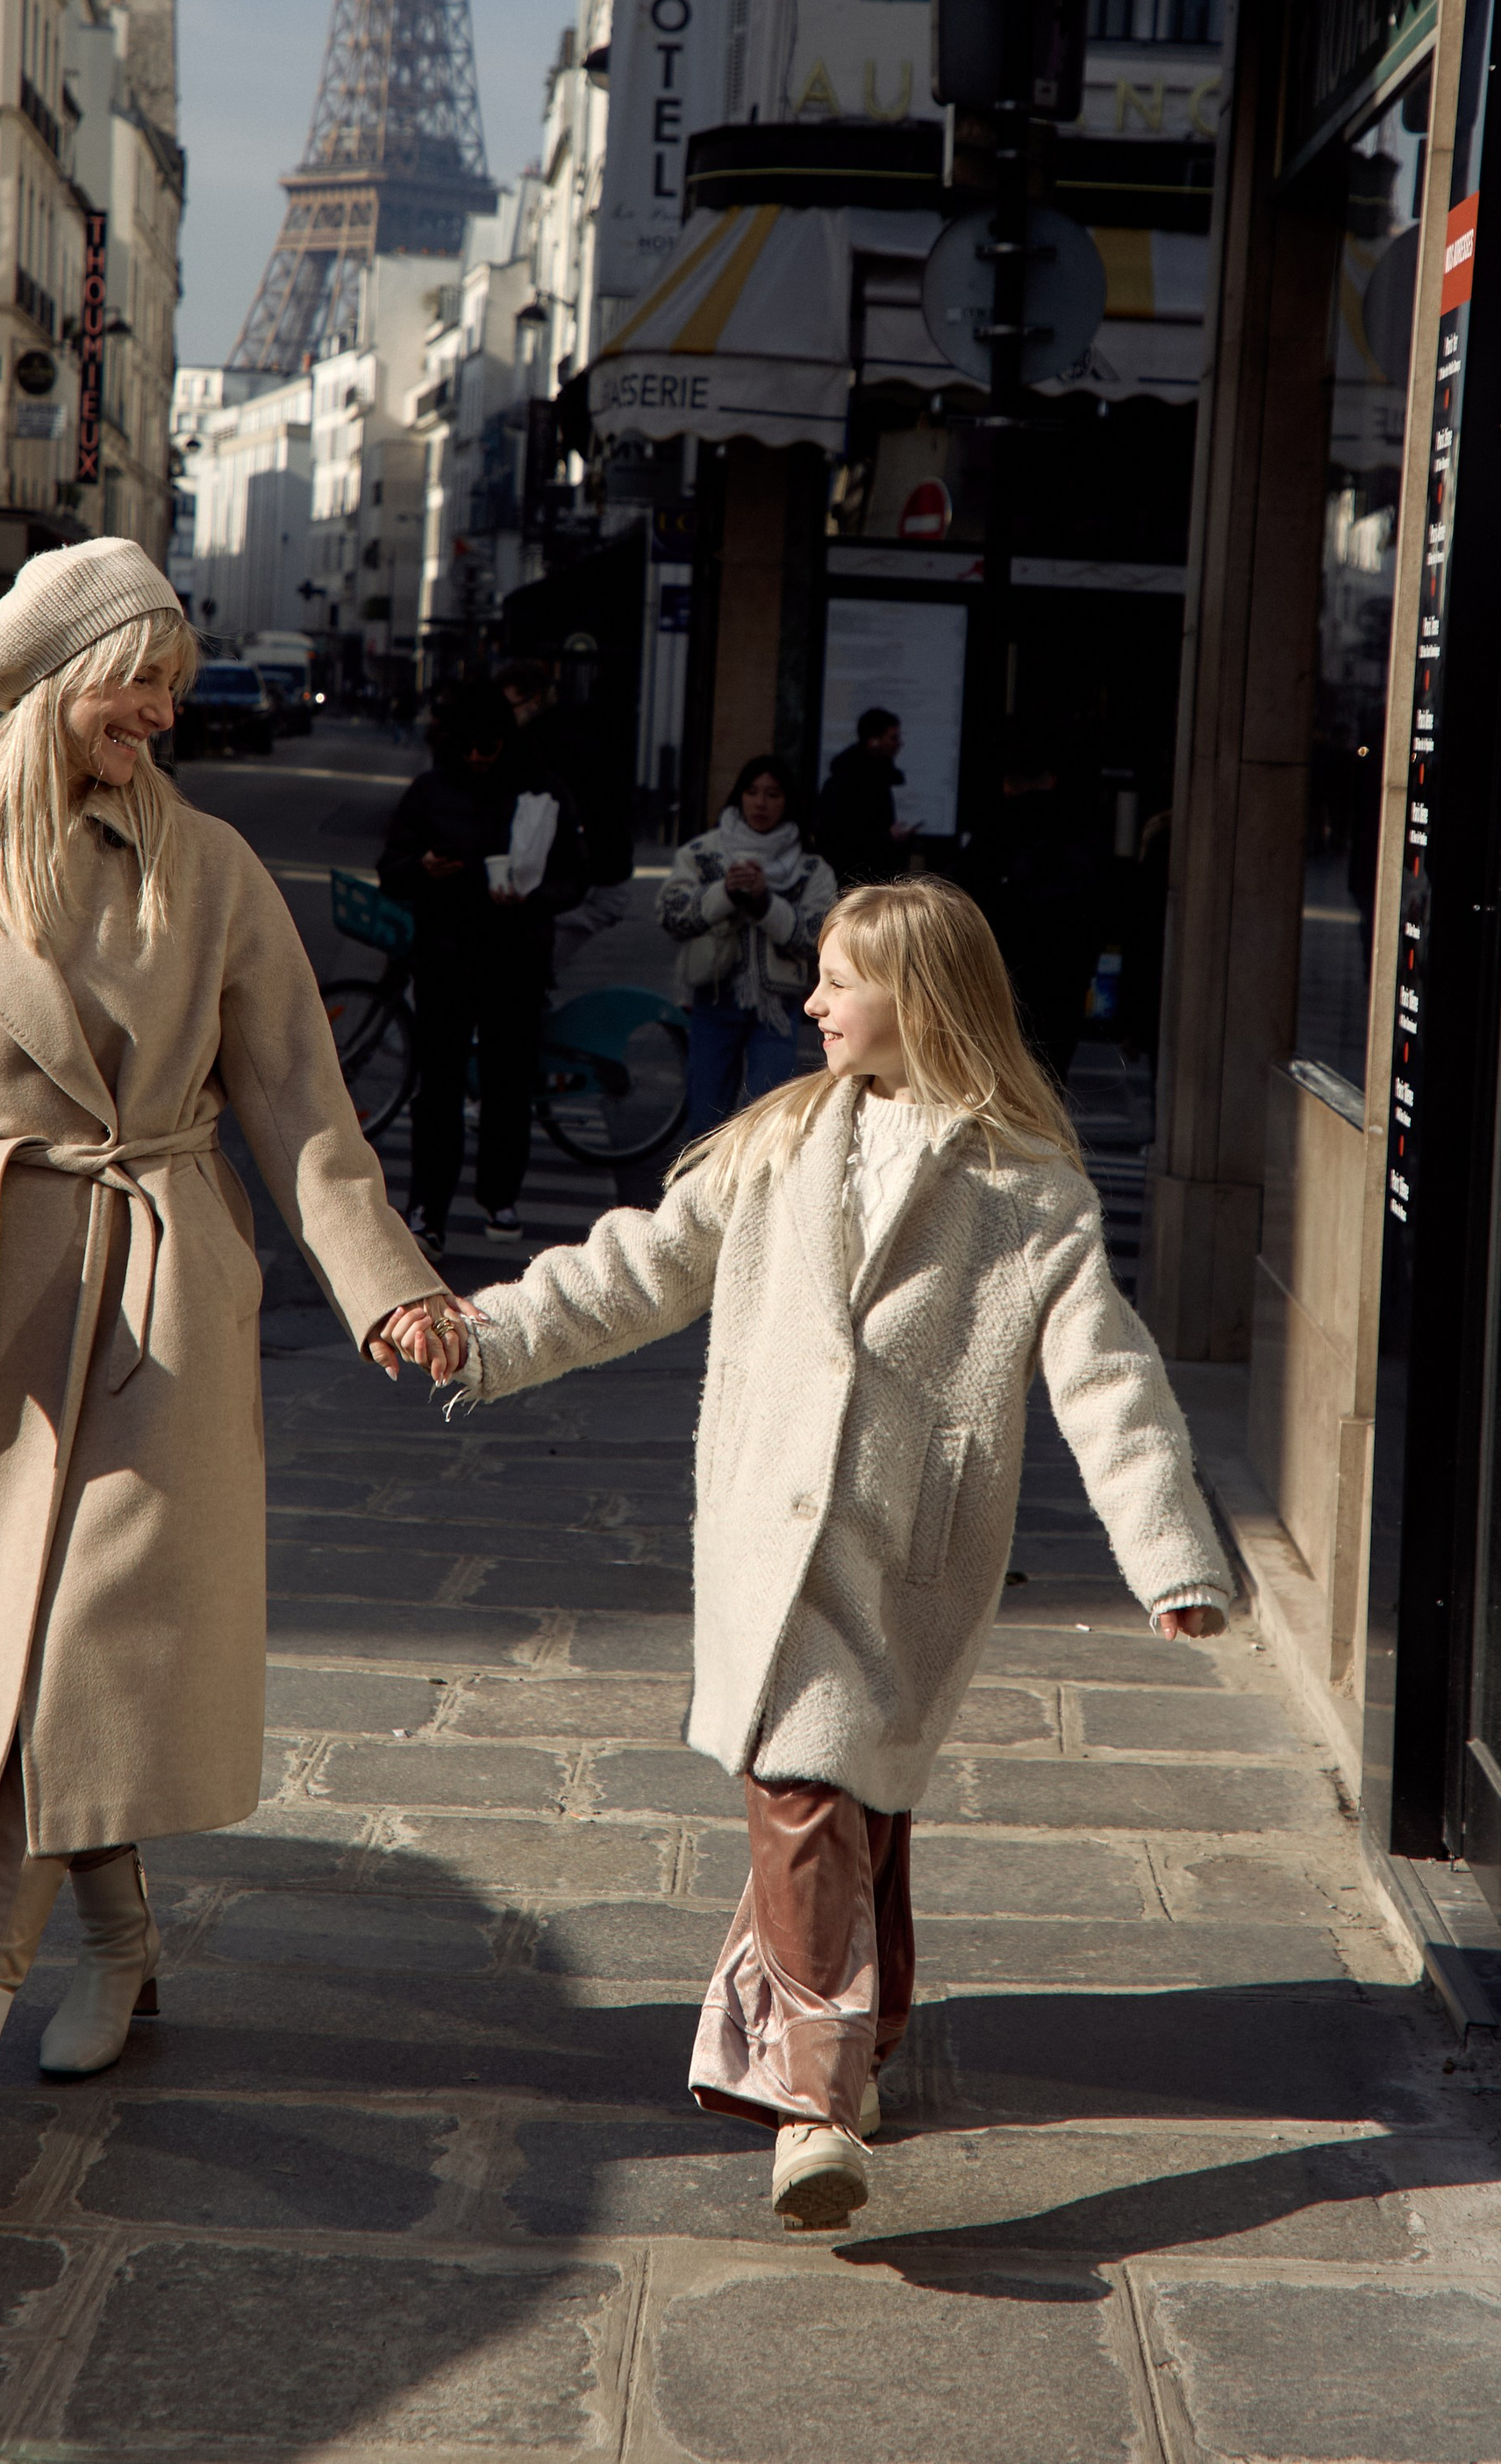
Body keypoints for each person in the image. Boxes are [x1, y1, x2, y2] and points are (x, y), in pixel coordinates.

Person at [0, 537, 456, 2231]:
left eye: (172, 678)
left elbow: (301, 1101)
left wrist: (388, 1288)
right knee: (18, 1675)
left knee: (70, 1657)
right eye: (138, 677)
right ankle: (126, 1949)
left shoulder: (211, 871)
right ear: (62, 678)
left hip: (164, 1292)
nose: (166, 706)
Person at [383, 875, 1229, 2230]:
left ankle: (862, 2042)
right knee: (811, 1795)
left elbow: (1107, 1379)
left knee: (854, 1801)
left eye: (842, 979)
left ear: (926, 998)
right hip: (769, 1539)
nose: (813, 999)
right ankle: (821, 2103)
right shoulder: (777, 1139)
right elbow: (634, 1268)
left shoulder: (1031, 1189)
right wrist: (480, 1337)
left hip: (909, 1549)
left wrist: (1169, 1551)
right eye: (818, 976)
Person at [379, 678, 587, 1252]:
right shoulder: (429, 791)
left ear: (506, 742)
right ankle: (427, 1210)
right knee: (437, 1089)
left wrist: (534, 896)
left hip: (516, 957)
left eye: (488, 747)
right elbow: (390, 868)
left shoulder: (541, 792)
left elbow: (575, 874)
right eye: (466, 746)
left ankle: (500, 1196)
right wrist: (422, 866)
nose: (476, 757)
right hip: (444, 958)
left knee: (508, 1087)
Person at [661, 752, 837, 1136]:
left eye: (773, 794)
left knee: (767, 1117)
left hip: (777, 1006)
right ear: (739, 796)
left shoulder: (810, 867)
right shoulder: (702, 853)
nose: (761, 803)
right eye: (752, 792)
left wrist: (764, 903)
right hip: (713, 997)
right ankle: (703, 1195)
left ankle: (754, 1194)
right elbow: (671, 916)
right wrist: (723, 892)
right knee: (705, 1118)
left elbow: (818, 935)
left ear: (787, 801)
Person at [959, 739, 1114, 1087]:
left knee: (995, 1072)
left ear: (1007, 784)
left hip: (1001, 972)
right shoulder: (1080, 831)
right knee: (1051, 1072)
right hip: (1064, 973)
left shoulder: (992, 831)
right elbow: (1101, 902)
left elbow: (963, 900)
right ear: (1051, 780)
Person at [497, 655, 634, 983]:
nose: (501, 716)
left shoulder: (544, 745)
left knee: (519, 977)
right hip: (589, 877)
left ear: (534, 701)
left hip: (590, 885)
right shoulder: (560, 735)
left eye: (508, 705)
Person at [815, 706, 908, 884]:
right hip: (854, 878)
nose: (899, 744)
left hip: (876, 876)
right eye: (893, 738)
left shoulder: (884, 777)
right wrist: (886, 838)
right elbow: (839, 837)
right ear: (874, 741)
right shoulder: (848, 781)